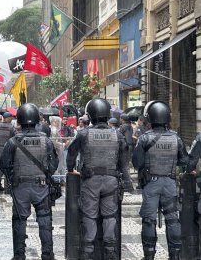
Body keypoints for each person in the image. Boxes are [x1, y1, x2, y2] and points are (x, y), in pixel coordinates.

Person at [66, 98, 127, 260]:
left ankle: (87, 252)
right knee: (109, 216)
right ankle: (110, 252)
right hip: (111, 180)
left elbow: (71, 152)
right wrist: (124, 178)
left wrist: (70, 168)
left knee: (89, 216)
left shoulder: (84, 133)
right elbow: (124, 158)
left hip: (90, 181)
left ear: (90, 115)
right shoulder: (117, 134)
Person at [0, 103, 59, 260]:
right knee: (45, 221)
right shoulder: (45, 140)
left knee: (19, 222)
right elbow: (54, 164)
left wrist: (13, 179)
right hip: (41, 187)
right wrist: (45, 175)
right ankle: (48, 255)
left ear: (19, 120)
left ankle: (19, 255)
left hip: (20, 187)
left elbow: (4, 165)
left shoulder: (13, 142)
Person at [132, 101, 189, 260]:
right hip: (170, 183)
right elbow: (184, 161)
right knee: (172, 219)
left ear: (150, 118)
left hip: (151, 184)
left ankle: (149, 255)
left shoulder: (144, 138)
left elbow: (137, 162)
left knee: (149, 220)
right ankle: (175, 255)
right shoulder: (176, 138)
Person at [118, 113, 134, 193]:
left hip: (125, 147)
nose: (119, 119)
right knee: (126, 166)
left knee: (124, 166)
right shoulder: (130, 126)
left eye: (120, 118)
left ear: (123, 119)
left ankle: (128, 185)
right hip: (129, 146)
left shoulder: (123, 127)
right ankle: (128, 184)